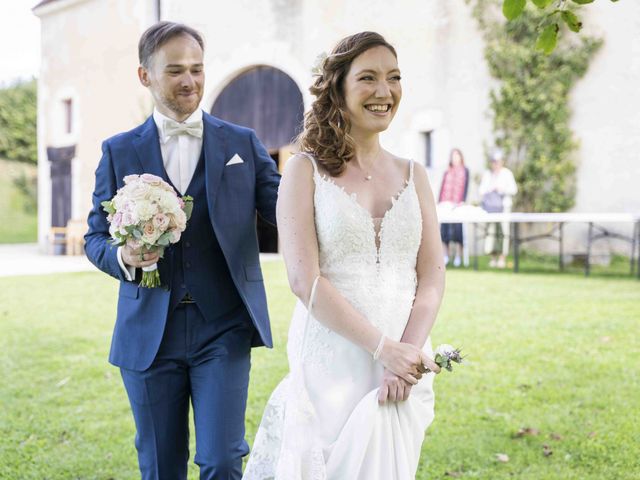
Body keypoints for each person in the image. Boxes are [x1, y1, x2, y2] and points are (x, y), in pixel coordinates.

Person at [243, 32, 445, 479]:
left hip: (404, 358)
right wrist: (381, 348)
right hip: (333, 359)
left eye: (393, 78)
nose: (384, 91)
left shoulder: (416, 176)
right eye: (368, 78)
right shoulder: (303, 170)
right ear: (338, 88)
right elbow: (304, 280)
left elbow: (431, 279)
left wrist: (405, 353)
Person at [84, 22, 280, 480]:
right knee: (160, 467)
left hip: (223, 327)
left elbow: (285, 209)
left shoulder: (241, 144)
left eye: (196, 69)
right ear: (145, 76)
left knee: (222, 459)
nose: (189, 80)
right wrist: (122, 258)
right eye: (175, 70)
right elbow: (95, 237)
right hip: (149, 335)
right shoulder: (117, 151)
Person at [478, 150, 517, 268]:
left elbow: (514, 190)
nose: (496, 164)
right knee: (491, 233)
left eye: (498, 162)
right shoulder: (487, 174)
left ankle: (502, 258)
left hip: (504, 208)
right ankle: (492, 258)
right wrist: (491, 188)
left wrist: (502, 189)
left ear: (502, 162)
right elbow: (481, 190)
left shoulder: (507, 173)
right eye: (494, 162)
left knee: (503, 233)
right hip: (490, 209)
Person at [438, 148, 469, 267]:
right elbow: (442, 188)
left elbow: (466, 187)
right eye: (453, 156)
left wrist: (462, 201)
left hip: (458, 204)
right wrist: (440, 202)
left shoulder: (465, 171)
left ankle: (458, 256)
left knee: (458, 231)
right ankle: (445, 255)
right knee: (444, 230)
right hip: (446, 203)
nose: (455, 158)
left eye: (457, 155)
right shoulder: (447, 172)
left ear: (461, 157)